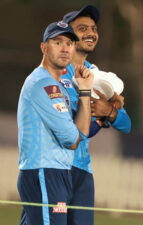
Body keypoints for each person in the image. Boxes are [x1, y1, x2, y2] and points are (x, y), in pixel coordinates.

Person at [60, 5, 131, 225]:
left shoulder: (97, 74)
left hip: (82, 171)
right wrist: (101, 118)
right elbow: (73, 133)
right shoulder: (54, 71)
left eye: (94, 28)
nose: (91, 33)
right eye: (82, 28)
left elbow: (127, 124)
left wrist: (109, 111)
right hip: (56, 168)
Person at [17, 21, 94, 225]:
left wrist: (85, 90)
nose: (65, 48)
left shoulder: (55, 85)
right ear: (44, 48)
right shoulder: (44, 84)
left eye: (69, 43)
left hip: (54, 174)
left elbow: (82, 133)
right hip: (45, 173)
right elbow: (72, 139)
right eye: (57, 42)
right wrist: (78, 129)